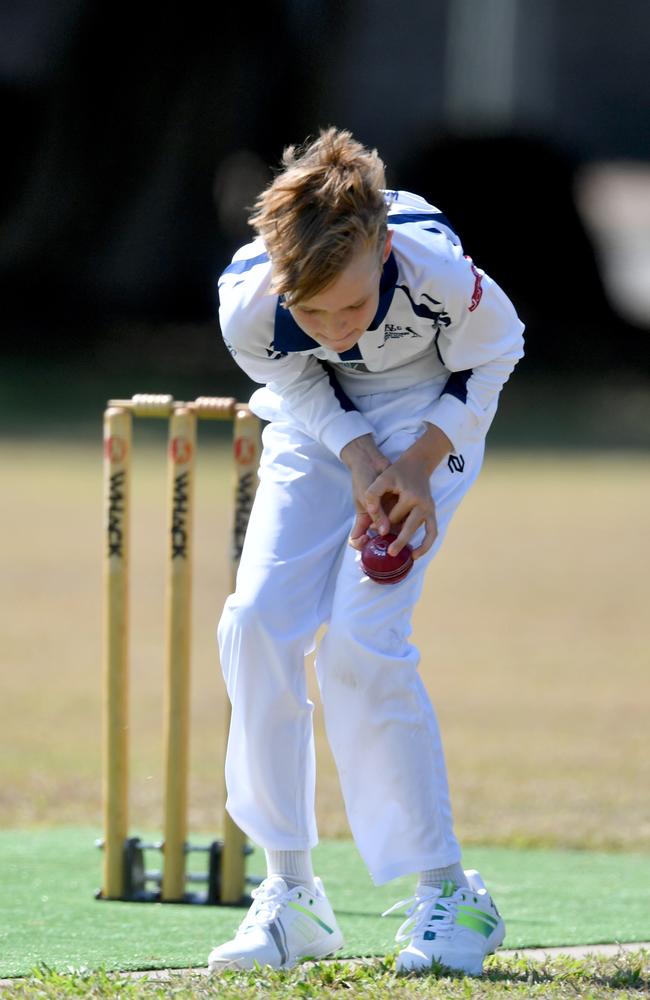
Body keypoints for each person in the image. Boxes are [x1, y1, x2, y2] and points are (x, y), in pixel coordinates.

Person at [208, 128, 524, 977]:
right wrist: (356, 454)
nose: (340, 330)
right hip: (320, 425)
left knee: (358, 640)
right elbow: (297, 377)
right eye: (314, 313)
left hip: (430, 410)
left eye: (353, 308)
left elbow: (497, 353)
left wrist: (415, 465)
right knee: (258, 622)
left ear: (382, 250)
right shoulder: (249, 304)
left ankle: (451, 895)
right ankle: (292, 896)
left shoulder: (437, 273)